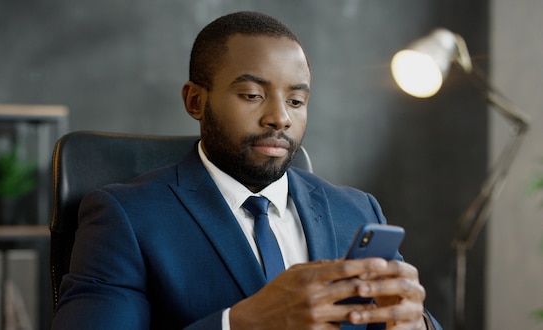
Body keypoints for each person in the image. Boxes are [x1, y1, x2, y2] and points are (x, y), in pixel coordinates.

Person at [51, 11, 442, 330]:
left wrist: (418, 323)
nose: (280, 118)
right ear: (195, 101)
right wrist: (238, 324)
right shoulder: (126, 218)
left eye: (296, 99)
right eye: (253, 95)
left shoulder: (357, 212)